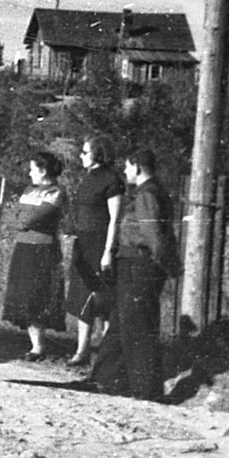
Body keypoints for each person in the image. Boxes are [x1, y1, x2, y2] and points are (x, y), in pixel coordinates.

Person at [111, 145, 179, 402]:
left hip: (140, 264)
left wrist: (164, 264)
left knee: (138, 327)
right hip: (141, 263)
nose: (126, 172)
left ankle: (145, 389)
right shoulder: (156, 191)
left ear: (137, 167)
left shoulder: (147, 194)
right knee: (135, 323)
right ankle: (135, 384)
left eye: (128, 166)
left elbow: (153, 237)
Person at [62, 134, 123, 367]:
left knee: (103, 299)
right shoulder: (86, 179)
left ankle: (107, 354)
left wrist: (108, 250)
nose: (81, 156)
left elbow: (114, 219)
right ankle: (82, 349)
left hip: (100, 244)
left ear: (98, 153)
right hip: (83, 243)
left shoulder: (111, 180)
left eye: (85, 152)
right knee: (80, 296)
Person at [3, 151, 67, 360]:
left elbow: (32, 218)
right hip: (23, 248)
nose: (29, 173)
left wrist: (22, 220)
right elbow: (13, 217)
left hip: (42, 250)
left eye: (32, 169)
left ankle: (39, 346)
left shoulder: (56, 192)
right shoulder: (28, 190)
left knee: (37, 295)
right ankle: (34, 344)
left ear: (42, 170)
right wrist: (21, 220)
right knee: (22, 294)